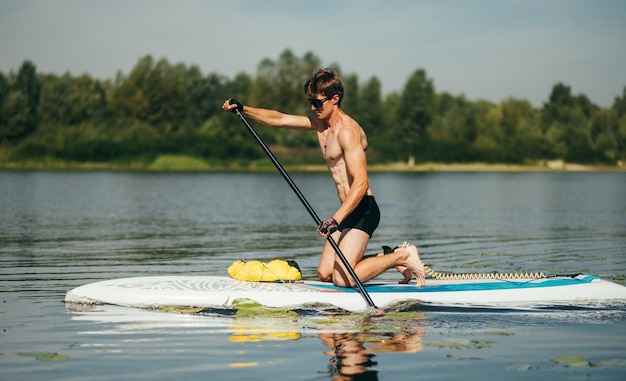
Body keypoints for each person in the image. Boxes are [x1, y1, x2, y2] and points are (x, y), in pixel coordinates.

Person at [222, 68, 425, 287]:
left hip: (363, 209)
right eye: (311, 101)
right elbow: (279, 119)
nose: (313, 107)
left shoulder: (348, 131)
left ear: (335, 99)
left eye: (318, 102)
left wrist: (335, 219)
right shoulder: (321, 125)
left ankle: (402, 257)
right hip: (345, 212)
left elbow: (361, 182)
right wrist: (243, 109)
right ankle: (389, 255)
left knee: (342, 278)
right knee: (325, 273)